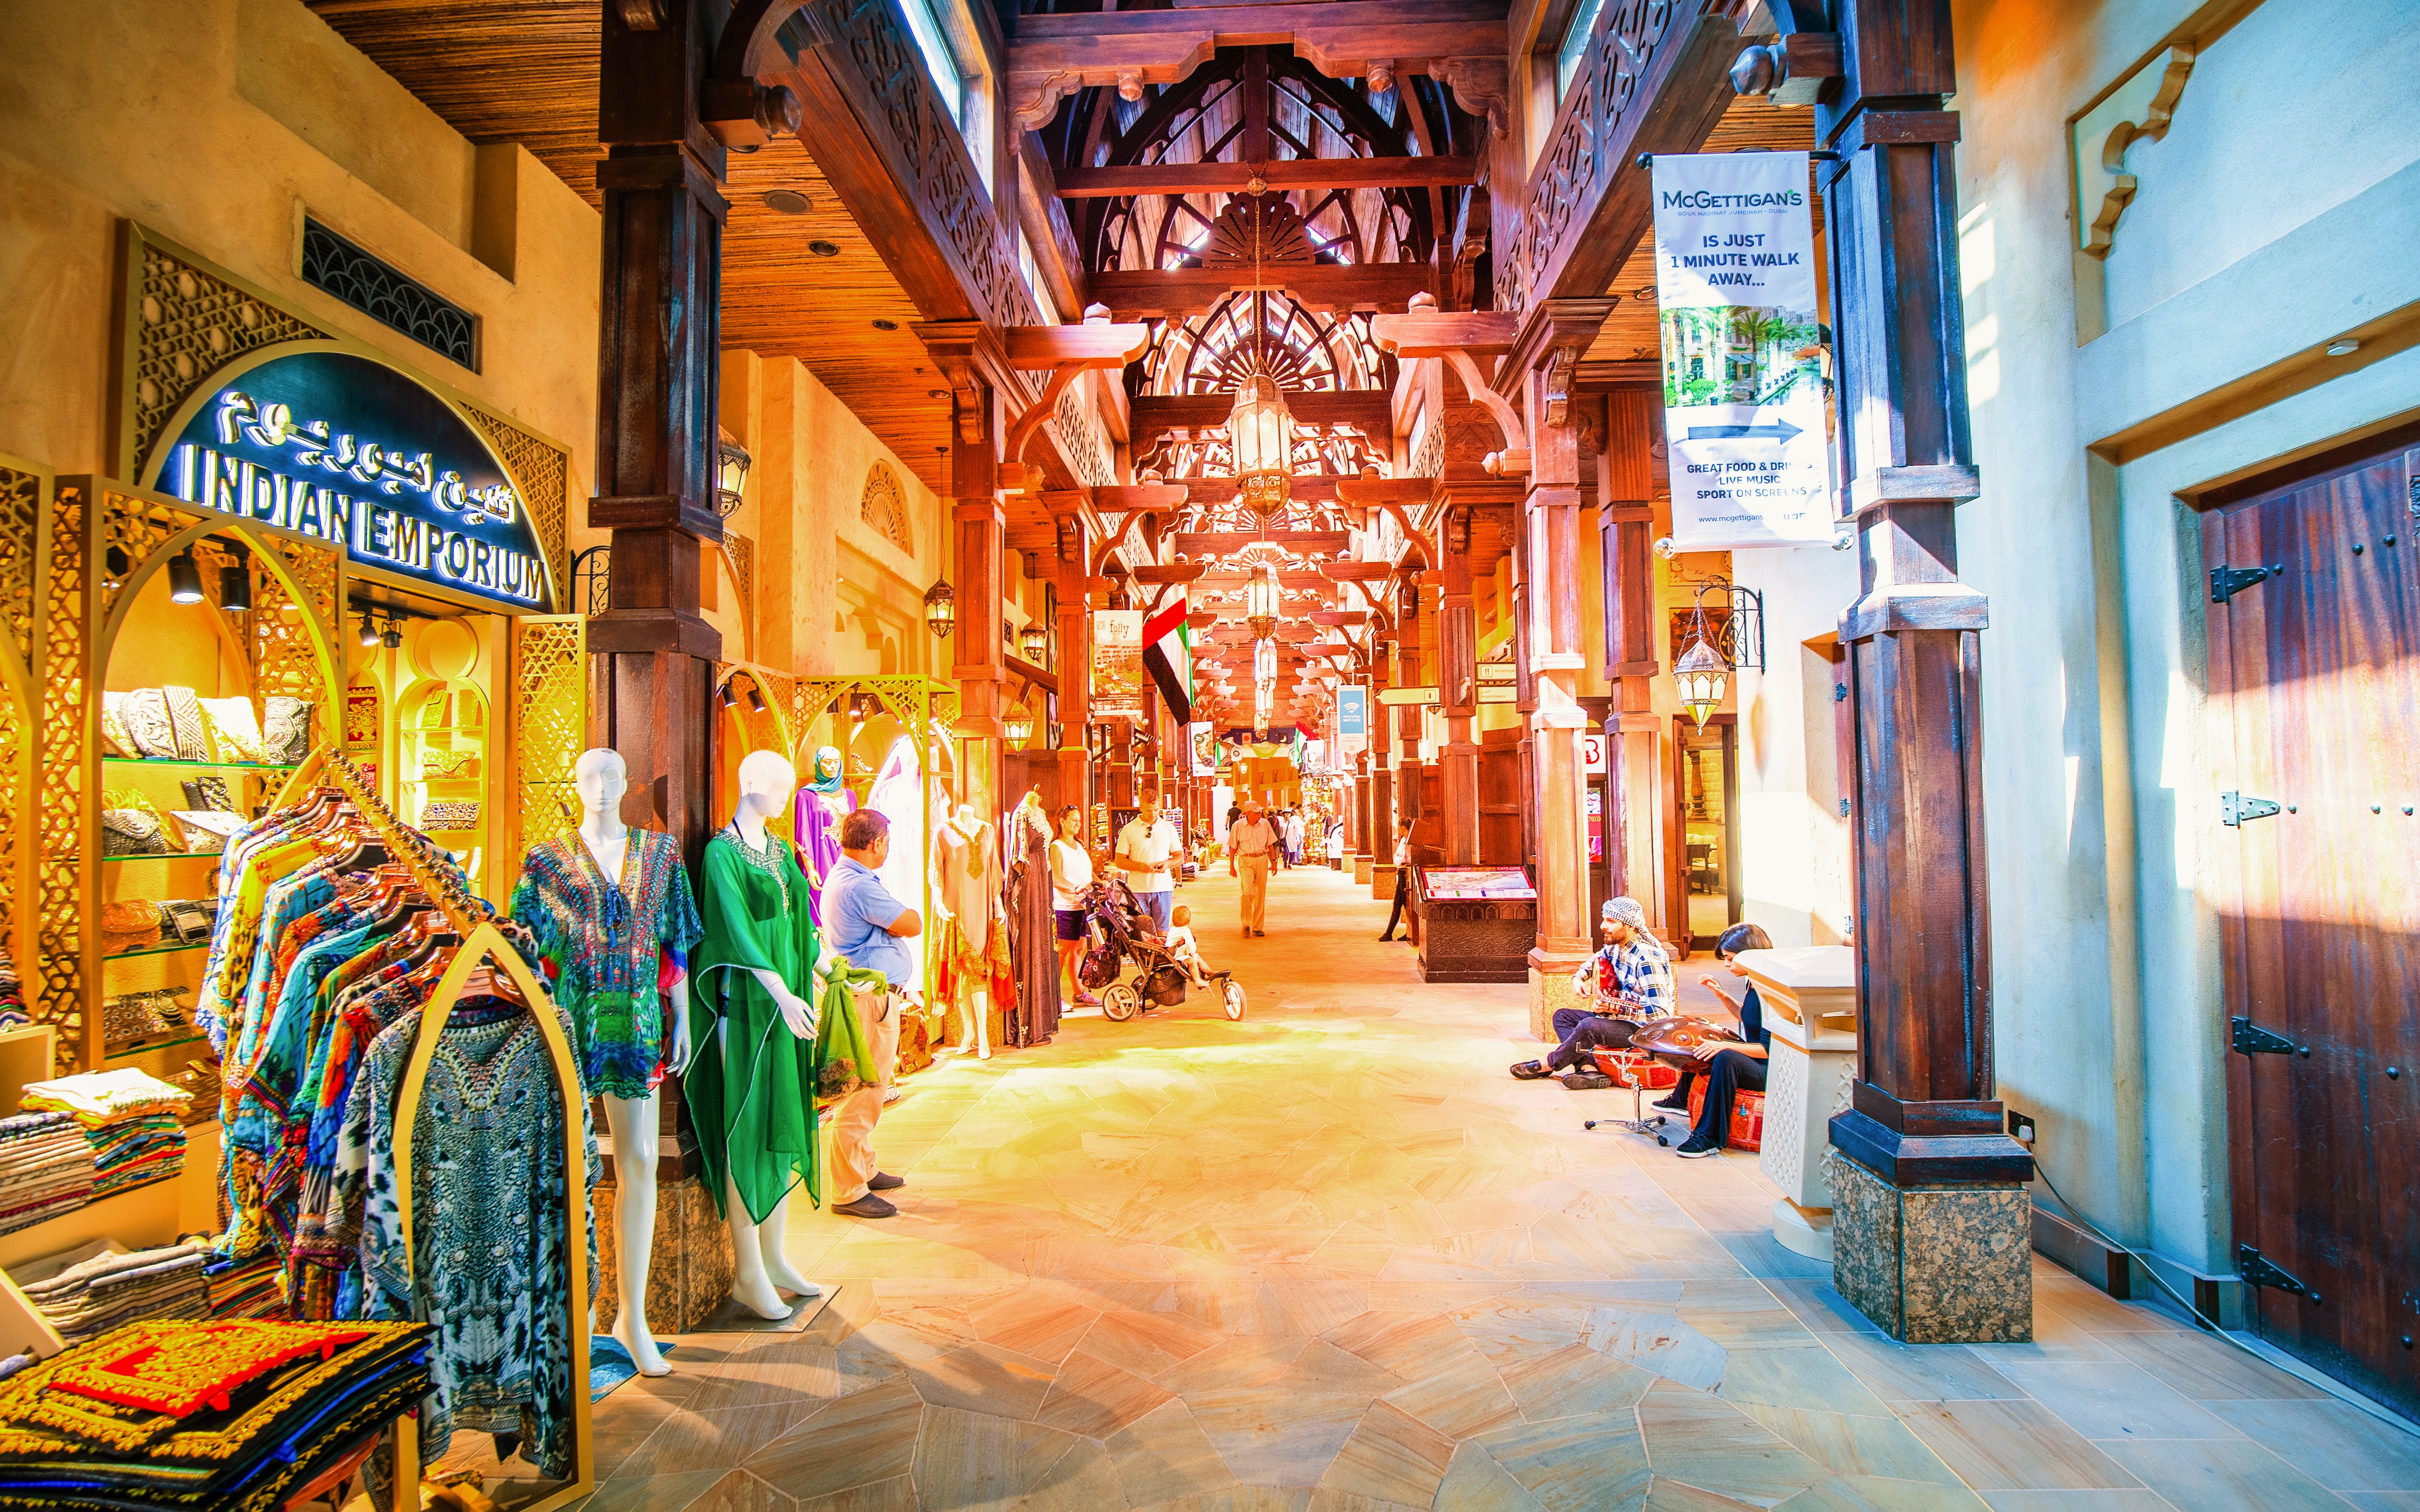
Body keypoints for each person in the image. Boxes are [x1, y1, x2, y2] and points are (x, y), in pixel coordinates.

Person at [821, 809, 922, 1218]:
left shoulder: (850, 879)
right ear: (877, 842)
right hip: (869, 998)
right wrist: (892, 927)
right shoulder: (858, 886)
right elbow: (911, 922)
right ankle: (848, 1190)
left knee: (873, 1088)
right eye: (887, 842)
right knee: (862, 1093)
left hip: (870, 993)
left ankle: (864, 1166)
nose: (888, 849)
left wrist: (887, 928)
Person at [1508, 895, 1673, 1080]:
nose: (1604, 926)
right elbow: (1595, 960)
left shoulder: (1647, 959)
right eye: (1605, 920)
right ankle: (1589, 1069)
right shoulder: (1618, 946)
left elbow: (1660, 1013)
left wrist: (1617, 1008)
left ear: (1630, 926)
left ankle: (1550, 1064)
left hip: (1643, 1030)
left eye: (1611, 922)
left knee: (1590, 1026)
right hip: (1620, 1019)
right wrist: (1578, 977)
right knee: (1563, 1017)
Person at [1673, 922, 1774, 1158]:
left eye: (1730, 959)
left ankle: (1709, 1137)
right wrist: (1722, 995)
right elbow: (1747, 1017)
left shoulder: (1770, 990)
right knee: (1705, 1035)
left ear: (1749, 955)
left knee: (1726, 1056)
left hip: (1771, 1069)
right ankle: (1680, 1099)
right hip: (1758, 1060)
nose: (1727, 965)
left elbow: (1770, 1050)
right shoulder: (1754, 981)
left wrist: (1725, 1045)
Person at [1047, 804, 1099, 1009]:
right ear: (1062, 821)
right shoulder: (1057, 847)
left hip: (1083, 906)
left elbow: (1089, 873)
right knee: (1062, 950)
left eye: (1079, 820)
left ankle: (1079, 993)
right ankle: (1054, 996)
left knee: (1079, 949)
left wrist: (1099, 883)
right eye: (1074, 820)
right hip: (1065, 906)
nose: (1078, 824)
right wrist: (1076, 889)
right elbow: (1056, 879)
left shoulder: (1080, 845)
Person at [1112, 793, 1181, 935]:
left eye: (1156, 810)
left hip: (1163, 889)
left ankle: (1160, 957)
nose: (1153, 814)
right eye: (1149, 811)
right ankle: (1144, 958)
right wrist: (1140, 866)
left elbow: (1179, 857)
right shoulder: (1129, 830)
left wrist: (1167, 864)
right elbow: (1119, 861)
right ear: (1141, 808)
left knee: (1162, 932)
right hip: (1138, 890)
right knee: (1142, 933)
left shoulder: (1168, 828)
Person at [1227, 800, 1277, 936]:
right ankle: (1246, 924)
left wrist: (1274, 861)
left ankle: (1257, 927)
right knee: (1247, 893)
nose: (1260, 814)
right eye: (1256, 813)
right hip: (1246, 860)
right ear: (1248, 813)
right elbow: (1233, 847)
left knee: (1260, 894)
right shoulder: (1238, 826)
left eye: (1260, 812)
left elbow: (1271, 844)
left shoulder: (1265, 824)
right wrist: (1232, 866)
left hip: (1262, 859)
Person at [1165, 903, 1213, 986]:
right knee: (1193, 962)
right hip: (1177, 956)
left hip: (1172, 953)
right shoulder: (1185, 931)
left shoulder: (1172, 929)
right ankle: (1198, 980)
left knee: (1197, 958)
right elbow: (1191, 945)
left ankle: (1210, 972)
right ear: (1189, 921)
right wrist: (1193, 952)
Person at [1378, 831, 1413, 942]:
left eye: (1402, 827)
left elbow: (1406, 859)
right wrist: (1399, 860)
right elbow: (1397, 857)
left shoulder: (1410, 841)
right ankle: (1393, 933)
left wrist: (1399, 860)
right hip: (1401, 874)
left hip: (1406, 876)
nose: (1400, 830)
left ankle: (1392, 933)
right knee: (1399, 905)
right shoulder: (1403, 840)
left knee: (1402, 905)